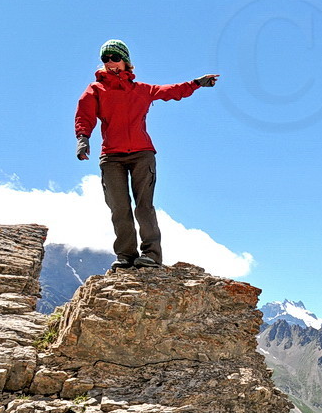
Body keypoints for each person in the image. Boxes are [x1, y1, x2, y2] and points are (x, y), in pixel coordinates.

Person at [75, 39, 219, 270]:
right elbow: (85, 114)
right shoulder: (96, 89)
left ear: (125, 60)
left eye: (115, 57)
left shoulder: (142, 90)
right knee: (119, 208)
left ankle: (151, 254)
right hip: (111, 157)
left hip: (142, 154)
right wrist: (83, 138)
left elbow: (172, 91)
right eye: (105, 59)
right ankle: (126, 255)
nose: (110, 62)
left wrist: (196, 83)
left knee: (144, 206)